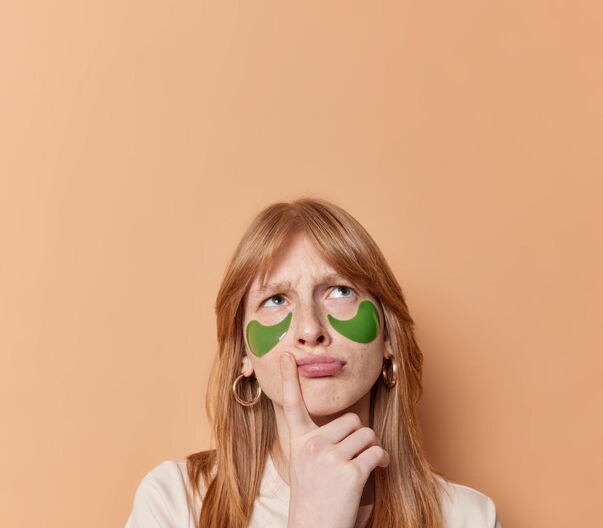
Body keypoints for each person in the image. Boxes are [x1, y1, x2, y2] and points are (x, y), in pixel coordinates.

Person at [125, 198, 501, 528]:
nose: (310, 328)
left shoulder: (469, 518)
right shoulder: (176, 504)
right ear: (243, 355)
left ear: (388, 337)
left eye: (340, 291)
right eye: (275, 300)